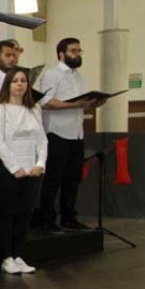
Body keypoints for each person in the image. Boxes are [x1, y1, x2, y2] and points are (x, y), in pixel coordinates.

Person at [37, 38, 102, 231]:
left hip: (77, 134)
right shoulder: (52, 75)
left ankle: (68, 217)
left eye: (79, 51)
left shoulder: (79, 77)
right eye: (73, 51)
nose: (77, 54)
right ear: (61, 54)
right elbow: (45, 102)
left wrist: (93, 103)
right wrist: (75, 105)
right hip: (57, 132)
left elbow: (80, 103)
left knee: (73, 178)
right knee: (53, 179)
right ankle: (47, 218)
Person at [0, 68, 47, 275]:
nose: (20, 84)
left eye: (23, 81)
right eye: (15, 81)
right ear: (8, 85)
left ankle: (18, 254)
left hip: (32, 168)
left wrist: (40, 163)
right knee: (7, 213)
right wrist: (15, 168)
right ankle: (7, 257)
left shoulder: (35, 109)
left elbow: (42, 140)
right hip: (7, 167)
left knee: (25, 213)